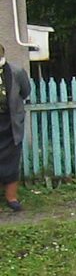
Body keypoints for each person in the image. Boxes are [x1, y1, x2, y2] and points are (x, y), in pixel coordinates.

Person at [0, 43, 31, 213]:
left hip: (10, 123)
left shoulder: (16, 72)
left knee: (11, 161)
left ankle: (11, 198)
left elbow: (25, 92)